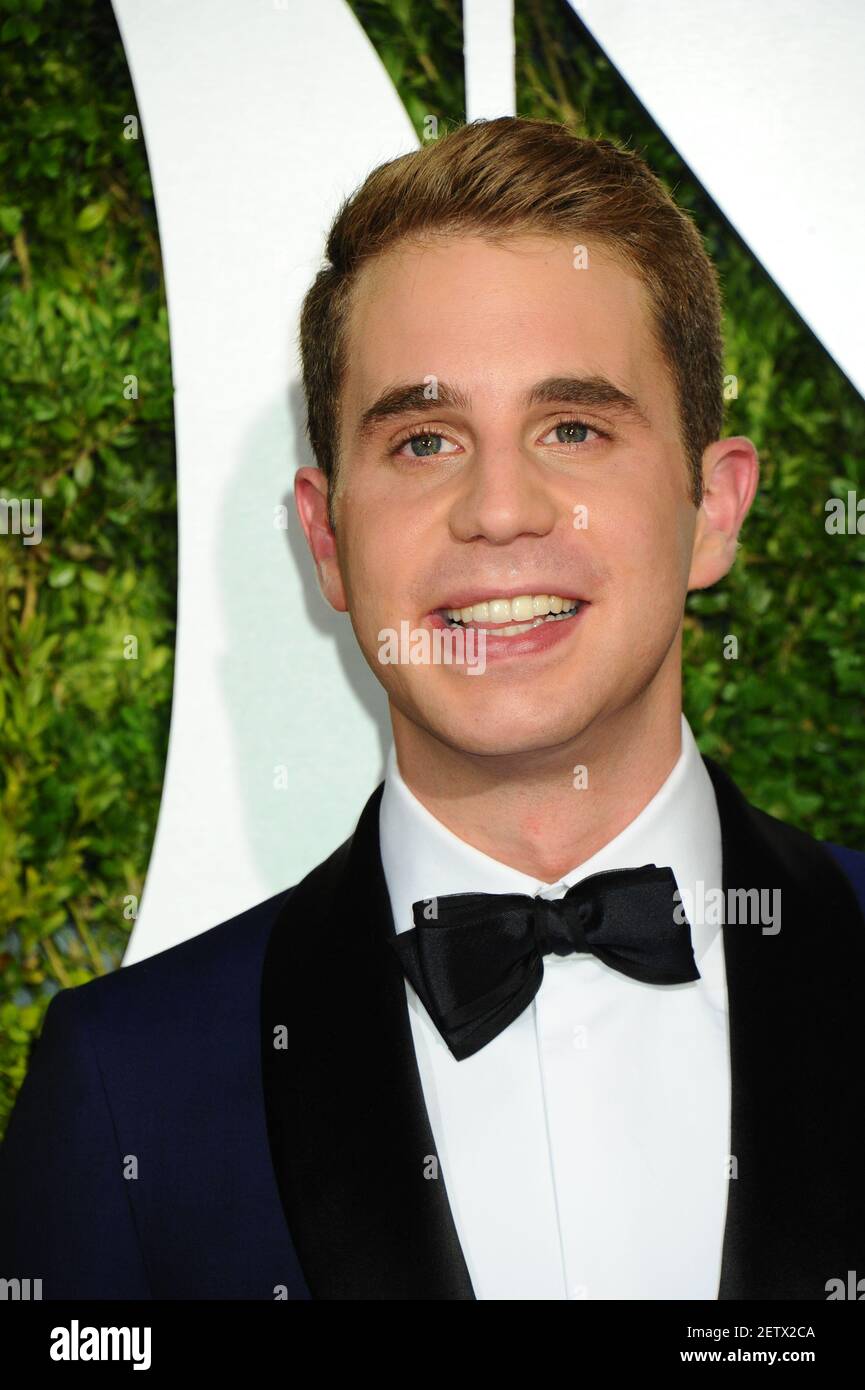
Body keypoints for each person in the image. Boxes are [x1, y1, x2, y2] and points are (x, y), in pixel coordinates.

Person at [2, 117, 863, 1302]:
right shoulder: (124, 1085)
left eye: (573, 428)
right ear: (326, 538)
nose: (498, 508)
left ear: (712, 506)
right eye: (421, 440)